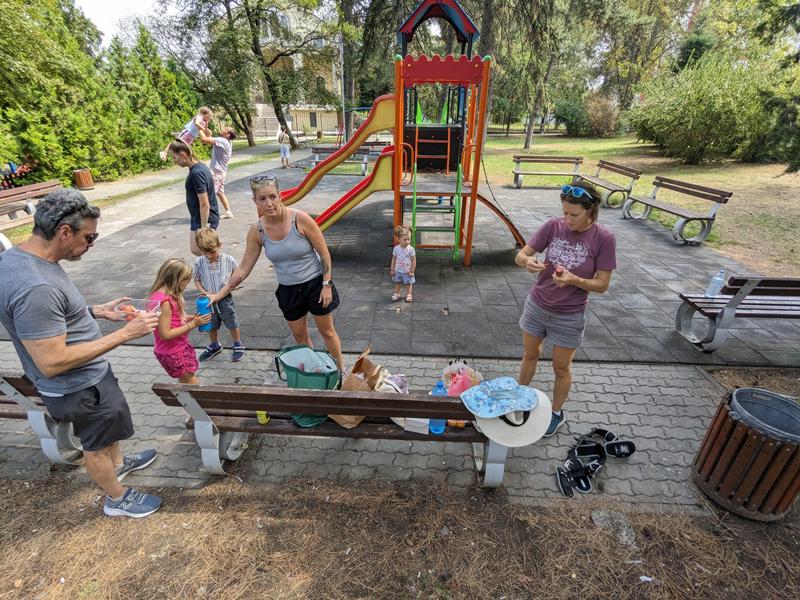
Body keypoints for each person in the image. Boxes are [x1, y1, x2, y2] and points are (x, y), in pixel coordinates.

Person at [0, 189, 163, 518]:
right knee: (97, 443)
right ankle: (117, 498)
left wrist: (94, 311)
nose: (92, 244)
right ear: (64, 232)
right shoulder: (36, 286)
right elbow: (51, 361)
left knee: (109, 428)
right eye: (89, 237)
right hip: (78, 386)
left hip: (90, 378)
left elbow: (47, 321)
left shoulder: (19, 259)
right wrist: (126, 334)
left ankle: (119, 464)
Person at [515, 181, 616, 437]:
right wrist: (528, 261)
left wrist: (574, 280)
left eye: (574, 215)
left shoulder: (604, 238)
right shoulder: (553, 226)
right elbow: (520, 255)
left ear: (591, 211)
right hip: (537, 305)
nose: (568, 220)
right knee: (530, 355)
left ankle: (556, 413)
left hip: (569, 315)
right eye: (565, 213)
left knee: (561, 368)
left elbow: (602, 284)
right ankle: (518, 397)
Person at [227, 175, 344, 370]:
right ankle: (316, 372)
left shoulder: (300, 219)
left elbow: (324, 254)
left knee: (328, 332)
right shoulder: (257, 231)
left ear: (280, 195)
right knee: (300, 336)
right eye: (262, 198)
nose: (269, 203)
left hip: (315, 284)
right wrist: (221, 292)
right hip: (288, 290)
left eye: (272, 196)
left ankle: (340, 371)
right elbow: (244, 267)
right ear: (255, 200)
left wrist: (326, 284)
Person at [148, 259, 211, 383]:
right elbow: (165, 334)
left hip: (176, 348)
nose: (186, 285)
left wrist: (187, 318)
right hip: (173, 351)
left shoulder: (161, 295)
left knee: (185, 382)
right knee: (194, 386)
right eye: (186, 281)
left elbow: (172, 320)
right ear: (176, 279)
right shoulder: (164, 302)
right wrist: (193, 324)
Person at [193, 228, 245, 362]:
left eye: (212, 252)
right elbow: (196, 280)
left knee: (232, 322)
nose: (209, 256)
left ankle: (238, 344)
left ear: (219, 245)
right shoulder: (199, 262)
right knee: (211, 324)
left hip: (225, 299)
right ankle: (215, 345)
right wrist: (204, 292)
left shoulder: (229, 259)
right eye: (205, 253)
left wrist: (234, 284)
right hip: (208, 301)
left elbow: (238, 274)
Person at [169, 139, 220, 257]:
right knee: (199, 250)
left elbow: (204, 203)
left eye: (174, 157)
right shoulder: (199, 167)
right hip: (198, 217)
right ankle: (213, 264)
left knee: (204, 250)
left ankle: (220, 264)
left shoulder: (196, 173)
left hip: (205, 219)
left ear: (183, 155)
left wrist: (203, 228)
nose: (174, 161)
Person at [198, 126, 237, 219]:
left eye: (226, 129)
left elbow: (204, 140)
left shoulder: (222, 141)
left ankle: (212, 215)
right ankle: (228, 212)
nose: (223, 128)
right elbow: (210, 139)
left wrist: (199, 128)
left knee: (210, 194)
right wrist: (207, 131)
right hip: (221, 172)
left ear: (228, 135)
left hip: (216, 173)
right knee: (220, 192)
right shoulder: (226, 142)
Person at [390, 225, 416, 303]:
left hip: (407, 271)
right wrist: (392, 269)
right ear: (399, 239)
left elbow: (413, 261)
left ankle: (409, 294)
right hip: (398, 270)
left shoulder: (411, 249)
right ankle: (397, 293)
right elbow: (393, 259)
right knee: (397, 282)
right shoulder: (396, 249)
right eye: (404, 239)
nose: (407, 241)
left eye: (408, 239)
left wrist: (412, 271)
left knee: (409, 283)